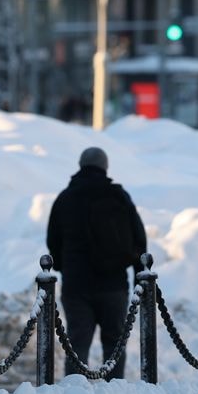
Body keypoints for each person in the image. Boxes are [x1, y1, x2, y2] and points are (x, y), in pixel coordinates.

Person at [45, 146, 146, 379]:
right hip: (114, 284)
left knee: (78, 343)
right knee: (114, 344)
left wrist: (64, 267)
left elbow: (53, 240)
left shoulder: (66, 198)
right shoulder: (118, 196)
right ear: (105, 167)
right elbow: (138, 238)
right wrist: (139, 274)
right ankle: (113, 392)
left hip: (77, 285)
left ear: (80, 166)